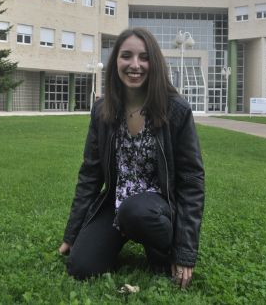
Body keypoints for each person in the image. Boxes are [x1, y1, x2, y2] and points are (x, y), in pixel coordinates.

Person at [58, 27, 205, 288]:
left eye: (144, 57)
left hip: (157, 208)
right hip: (116, 202)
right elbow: (90, 174)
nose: (134, 65)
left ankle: (161, 244)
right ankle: (126, 229)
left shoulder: (176, 110)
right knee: (81, 266)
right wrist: (72, 235)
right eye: (126, 56)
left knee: (136, 212)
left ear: (155, 63)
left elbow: (192, 182)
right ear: (116, 61)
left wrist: (185, 252)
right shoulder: (102, 111)